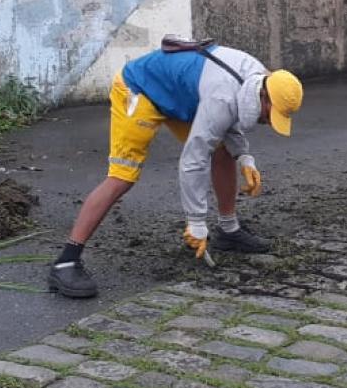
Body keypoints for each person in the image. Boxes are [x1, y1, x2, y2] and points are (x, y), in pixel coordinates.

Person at [47, 37, 303, 298]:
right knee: (122, 176)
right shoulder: (222, 97)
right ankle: (66, 261)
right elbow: (194, 159)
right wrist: (196, 221)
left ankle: (228, 230)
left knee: (224, 151)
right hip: (140, 88)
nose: (267, 122)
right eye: (270, 115)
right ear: (263, 96)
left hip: (179, 94)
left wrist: (243, 156)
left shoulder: (260, 77)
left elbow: (232, 116)